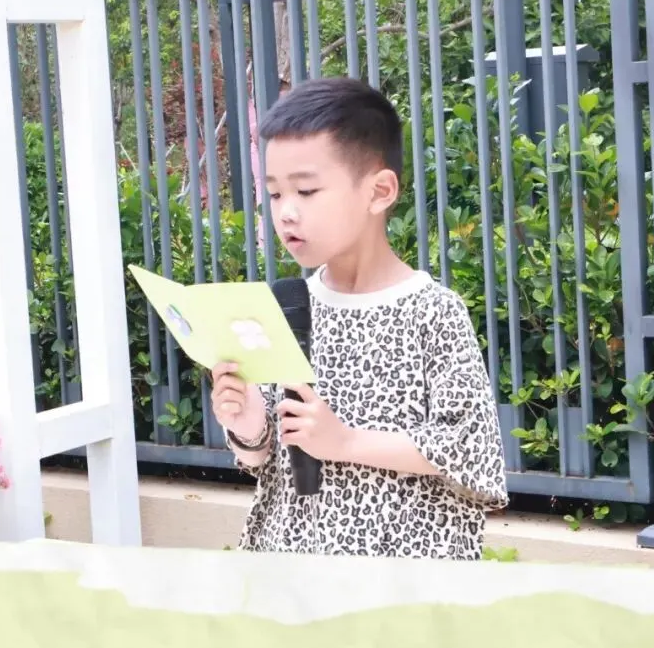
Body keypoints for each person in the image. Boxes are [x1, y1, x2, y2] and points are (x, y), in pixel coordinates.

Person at [210, 76, 508, 560]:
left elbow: (468, 448)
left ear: (379, 191)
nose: (286, 213)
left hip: (402, 573)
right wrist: (246, 425)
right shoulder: (288, 305)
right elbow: (265, 458)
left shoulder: (432, 311)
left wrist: (346, 442)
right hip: (293, 565)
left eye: (306, 191)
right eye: (276, 194)